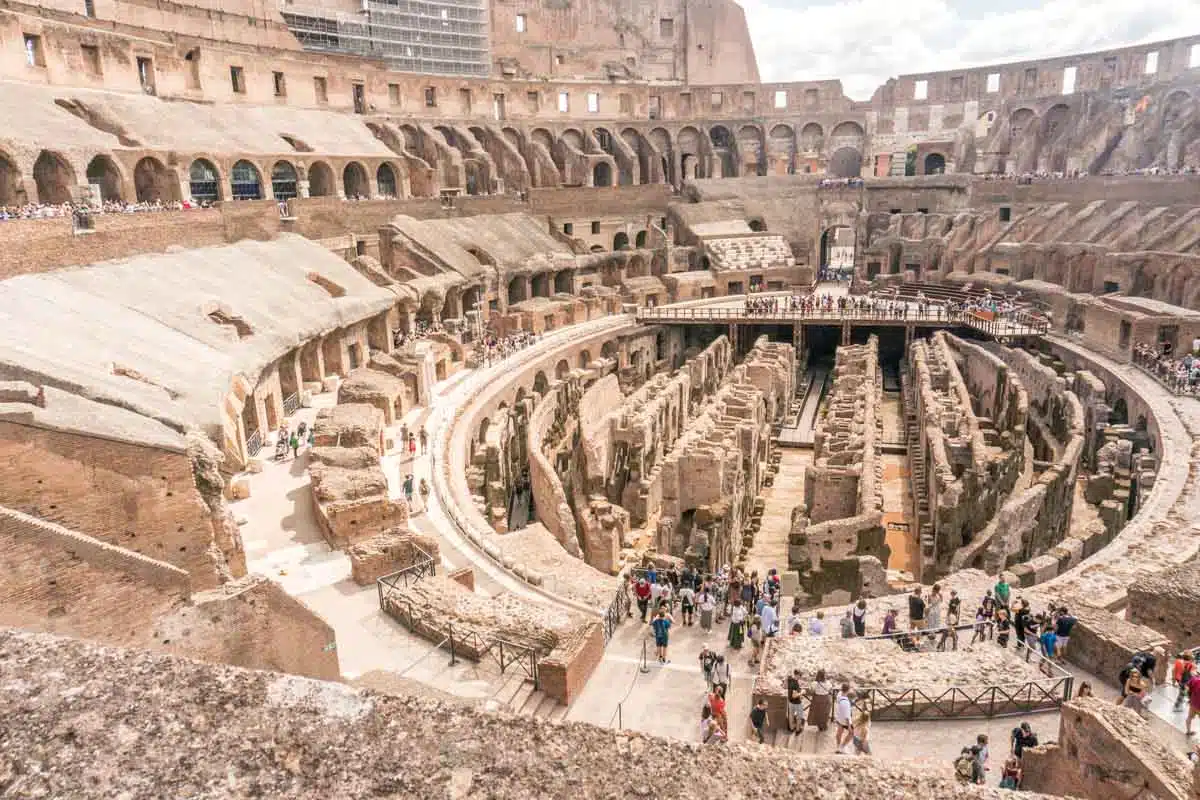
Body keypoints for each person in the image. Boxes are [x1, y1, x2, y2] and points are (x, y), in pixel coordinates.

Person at [834, 684, 854, 753]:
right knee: (851, 733)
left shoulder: (839, 695)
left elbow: (841, 691)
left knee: (839, 732)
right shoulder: (846, 702)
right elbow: (847, 716)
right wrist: (849, 727)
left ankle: (838, 747)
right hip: (844, 721)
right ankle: (842, 746)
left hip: (839, 718)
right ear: (848, 690)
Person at [786, 669, 805, 733]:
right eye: (800, 675)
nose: (800, 677)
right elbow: (794, 696)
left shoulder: (789, 679)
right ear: (797, 675)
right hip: (797, 702)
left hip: (790, 701)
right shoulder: (795, 683)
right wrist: (802, 692)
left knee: (791, 715)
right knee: (799, 716)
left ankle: (791, 728)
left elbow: (785, 686)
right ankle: (798, 729)